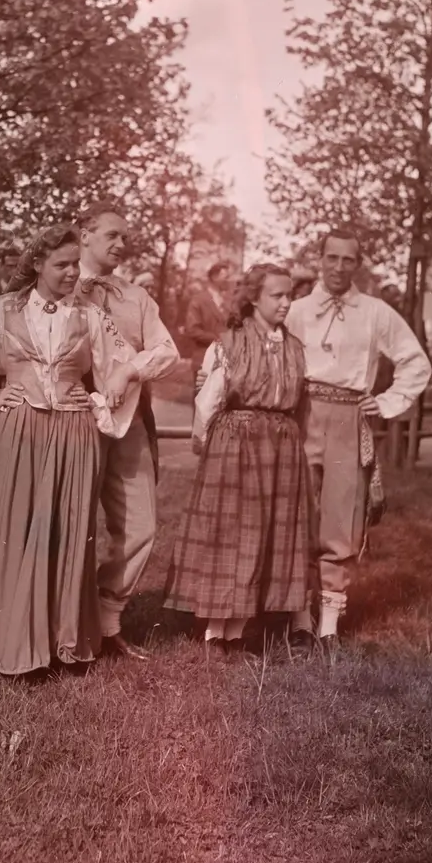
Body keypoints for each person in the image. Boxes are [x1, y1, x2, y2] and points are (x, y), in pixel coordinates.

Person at [0, 225, 139, 677]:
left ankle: (55, 642)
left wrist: (98, 399)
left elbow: (124, 367)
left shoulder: (91, 316)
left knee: (61, 532)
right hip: (15, 431)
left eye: (74, 264)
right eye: (61, 264)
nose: (71, 272)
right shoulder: (1, 309)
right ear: (37, 264)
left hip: (72, 434)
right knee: (5, 529)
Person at [283, 229, 431, 649]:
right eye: (331, 258)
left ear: (358, 264)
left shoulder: (375, 312)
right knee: (299, 512)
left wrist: (385, 402)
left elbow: (415, 362)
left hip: (349, 418)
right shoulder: (296, 310)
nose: (338, 267)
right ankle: (299, 619)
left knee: (341, 515)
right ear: (319, 259)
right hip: (301, 415)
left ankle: (329, 624)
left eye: (348, 260)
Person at [163, 264, 312, 651]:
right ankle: (215, 630)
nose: (286, 303)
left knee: (265, 532)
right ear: (254, 299)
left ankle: (239, 628)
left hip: (280, 445)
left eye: (289, 295)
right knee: (232, 531)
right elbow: (208, 401)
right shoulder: (229, 343)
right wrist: (204, 442)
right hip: (237, 442)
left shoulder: (295, 347)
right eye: (277, 295)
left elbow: (300, 402)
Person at [74, 204, 180, 659]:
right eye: (111, 235)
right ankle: (63, 622)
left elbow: (167, 351)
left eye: (125, 239)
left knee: (140, 525)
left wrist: (129, 370)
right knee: (71, 522)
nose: (121, 245)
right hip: (70, 420)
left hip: (127, 420)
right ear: (84, 234)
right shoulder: (58, 283)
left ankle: (108, 618)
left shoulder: (135, 297)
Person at [182, 262, 233, 376]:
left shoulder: (228, 301)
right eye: (226, 277)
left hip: (226, 362)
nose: (228, 280)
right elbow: (192, 330)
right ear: (214, 277)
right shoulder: (198, 300)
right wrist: (219, 339)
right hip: (204, 360)